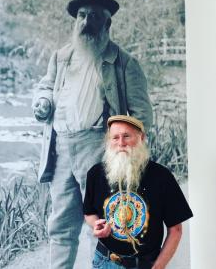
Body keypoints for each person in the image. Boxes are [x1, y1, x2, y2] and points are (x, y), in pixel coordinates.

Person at [33, 0, 153, 269]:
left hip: (99, 149)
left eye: (94, 17)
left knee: (102, 223)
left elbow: (143, 115)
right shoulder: (61, 57)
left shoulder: (124, 63)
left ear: (107, 24)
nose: (86, 23)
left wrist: (123, 150)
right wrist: (42, 102)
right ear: (75, 20)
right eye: (82, 16)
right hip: (61, 147)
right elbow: (46, 87)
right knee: (61, 223)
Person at [83, 115, 193, 269]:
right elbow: (89, 213)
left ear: (141, 137)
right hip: (105, 262)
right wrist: (97, 224)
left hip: (146, 264)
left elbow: (175, 230)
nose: (121, 143)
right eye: (115, 138)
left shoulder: (162, 176)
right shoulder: (95, 174)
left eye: (126, 136)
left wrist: (158, 267)